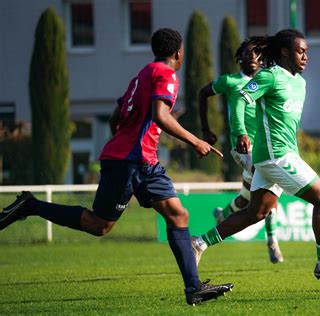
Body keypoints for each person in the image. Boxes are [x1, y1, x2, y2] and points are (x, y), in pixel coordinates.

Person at [0, 28, 232, 306]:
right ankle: (30, 206)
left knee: (178, 215)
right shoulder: (166, 74)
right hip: (132, 161)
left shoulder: (141, 75)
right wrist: (195, 141)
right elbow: (160, 115)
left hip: (141, 160)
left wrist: (124, 142)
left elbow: (116, 116)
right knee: (99, 226)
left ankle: (194, 288)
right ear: (179, 52)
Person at [192, 29, 320, 279]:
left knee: (255, 213)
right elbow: (240, 96)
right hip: (275, 156)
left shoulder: (300, 83)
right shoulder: (270, 76)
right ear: (284, 52)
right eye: (300, 51)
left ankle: (199, 243)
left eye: (307, 52)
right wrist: (240, 133)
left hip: (281, 156)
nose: (305, 56)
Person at [198, 38, 283, 263]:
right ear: (240, 57)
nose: (253, 57)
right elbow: (202, 94)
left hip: (266, 146)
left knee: (248, 197)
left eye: (257, 54)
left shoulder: (267, 81)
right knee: (270, 188)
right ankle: (272, 242)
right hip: (242, 147)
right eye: (248, 53)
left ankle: (223, 214)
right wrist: (206, 129)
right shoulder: (230, 81)